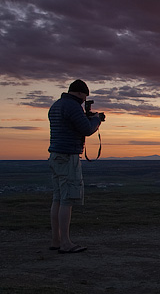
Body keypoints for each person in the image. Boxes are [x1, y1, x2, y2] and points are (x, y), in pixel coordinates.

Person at [48, 79, 104, 254]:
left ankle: (56, 240)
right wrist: (97, 120)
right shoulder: (72, 107)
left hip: (56, 156)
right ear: (81, 94)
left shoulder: (56, 105)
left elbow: (71, 125)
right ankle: (66, 243)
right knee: (67, 199)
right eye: (84, 97)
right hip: (68, 157)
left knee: (57, 198)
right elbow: (86, 129)